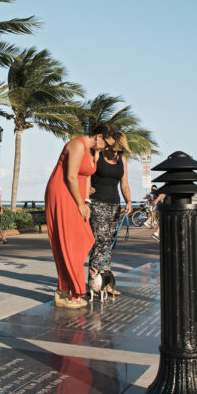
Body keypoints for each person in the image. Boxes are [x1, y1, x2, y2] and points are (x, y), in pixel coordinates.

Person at [44, 123, 118, 309]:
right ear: (99, 136)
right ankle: (70, 292)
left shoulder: (95, 152)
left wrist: (86, 202)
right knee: (69, 243)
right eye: (107, 145)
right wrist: (79, 203)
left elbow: (87, 178)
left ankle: (67, 289)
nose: (107, 149)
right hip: (62, 193)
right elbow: (70, 176)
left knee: (85, 238)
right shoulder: (77, 145)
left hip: (76, 195)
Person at [87, 135, 132, 287]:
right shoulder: (96, 155)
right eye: (115, 151)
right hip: (97, 203)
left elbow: (124, 184)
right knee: (100, 240)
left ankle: (105, 282)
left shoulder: (122, 159)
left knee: (111, 242)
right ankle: (94, 282)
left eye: (120, 152)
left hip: (114, 205)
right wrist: (86, 190)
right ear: (109, 145)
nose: (116, 154)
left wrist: (129, 202)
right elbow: (84, 174)